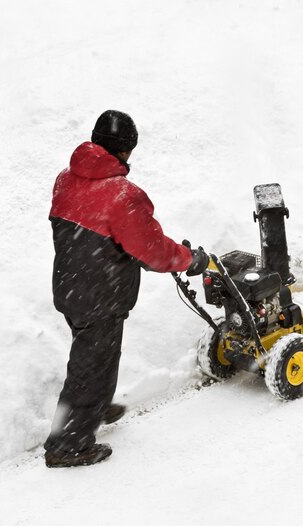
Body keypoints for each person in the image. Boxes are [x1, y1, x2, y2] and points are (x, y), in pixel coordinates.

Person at [44, 110, 209, 468]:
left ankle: (94, 408)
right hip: (101, 296)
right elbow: (151, 251)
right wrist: (190, 260)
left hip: (70, 287)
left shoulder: (64, 180)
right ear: (126, 150)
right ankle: (68, 445)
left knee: (97, 359)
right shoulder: (123, 195)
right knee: (91, 366)